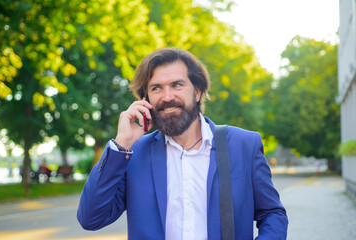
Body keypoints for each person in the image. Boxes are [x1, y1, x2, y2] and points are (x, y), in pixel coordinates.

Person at [77, 48, 288, 239]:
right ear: (145, 100)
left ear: (197, 92)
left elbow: (272, 213)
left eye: (177, 85)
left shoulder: (243, 145)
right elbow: (91, 219)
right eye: (156, 88)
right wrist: (122, 142)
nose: (167, 97)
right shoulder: (132, 154)